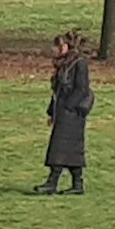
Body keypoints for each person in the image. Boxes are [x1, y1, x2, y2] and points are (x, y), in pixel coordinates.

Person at [35, 29, 93, 195]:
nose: (56, 49)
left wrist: (69, 107)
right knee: (70, 147)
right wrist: (51, 112)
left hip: (73, 112)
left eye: (59, 46)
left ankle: (52, 182)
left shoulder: (79, 63)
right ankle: (77, 184)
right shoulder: (63, 63)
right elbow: (57, 90)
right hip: (62, 110)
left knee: (60, 147)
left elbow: (82, 89)